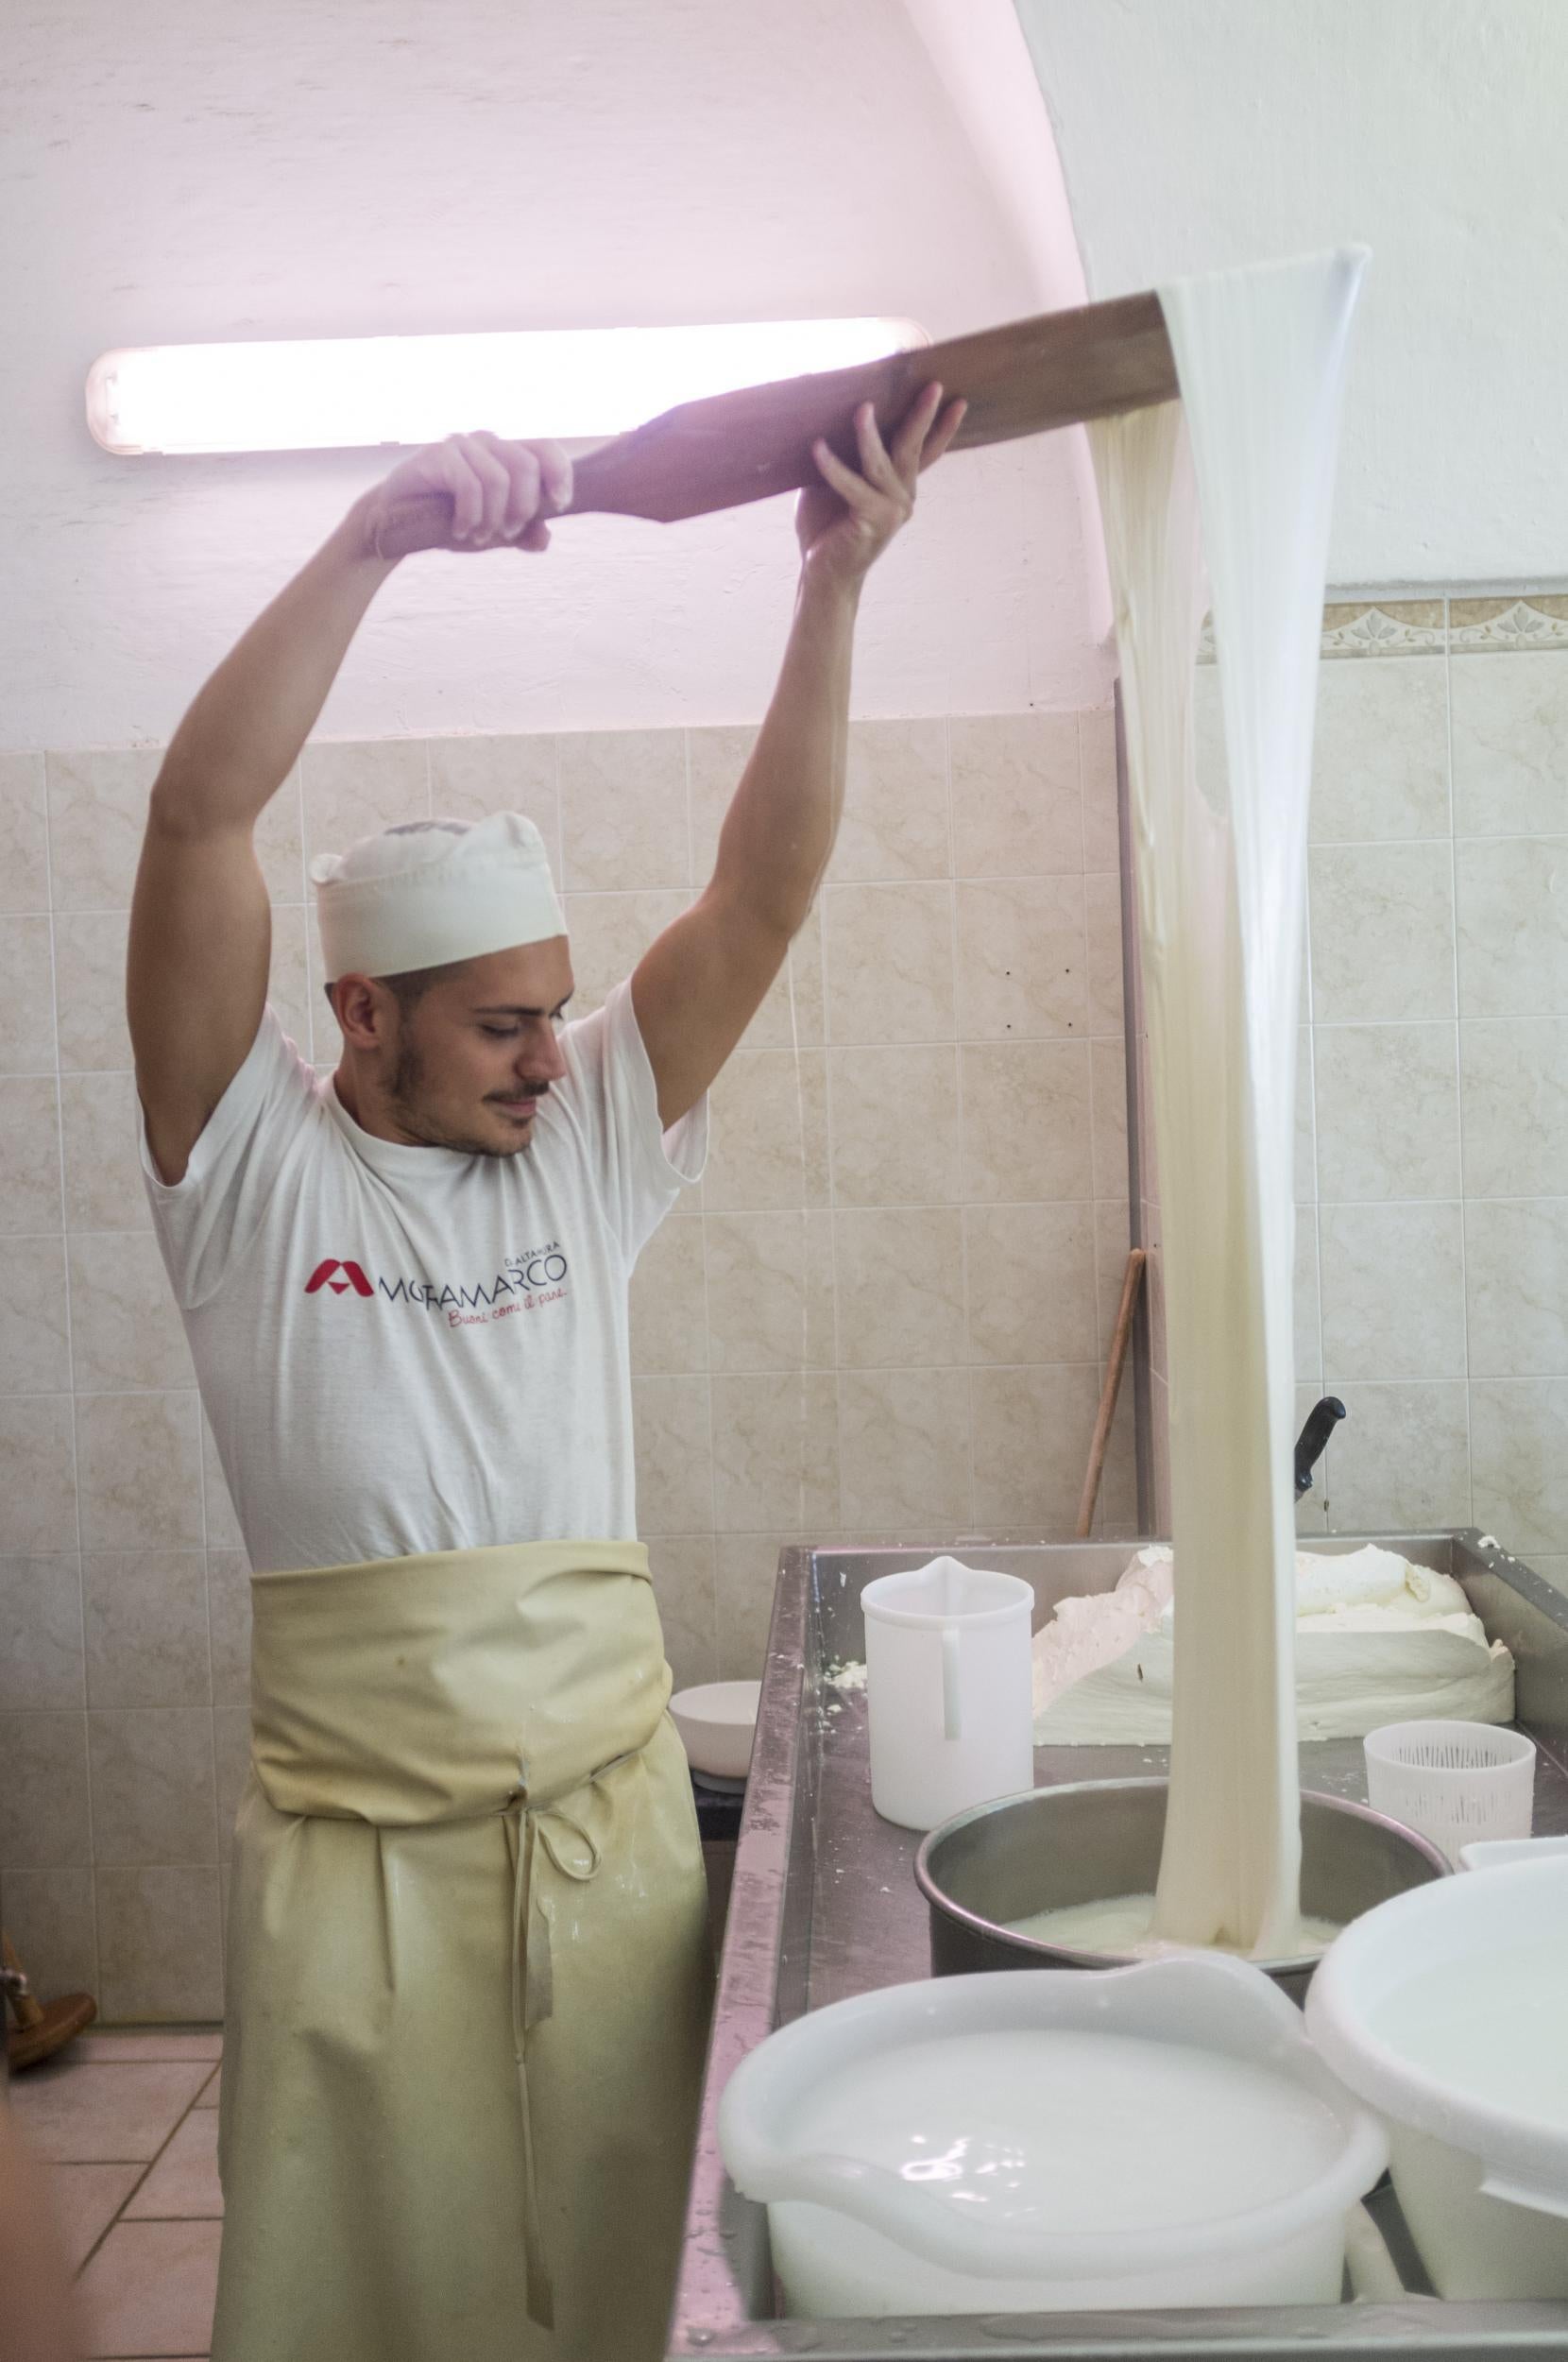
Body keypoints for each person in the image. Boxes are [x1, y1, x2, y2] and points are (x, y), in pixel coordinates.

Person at [127, 385, 963, 2362]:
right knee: (353, 2287)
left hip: (597, 1845)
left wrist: (830, 587)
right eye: (500, 1023)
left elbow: (756, 894)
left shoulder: (584, 1133)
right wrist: (374, 539)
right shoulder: (241, 1166)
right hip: (352, 1871)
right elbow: (196, 819)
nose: (547, 1052)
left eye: (550, 1011)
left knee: (622, 2276)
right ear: (359, 1010)